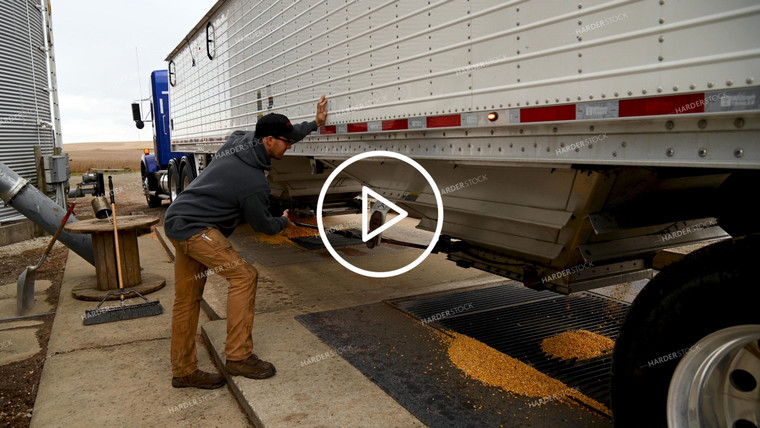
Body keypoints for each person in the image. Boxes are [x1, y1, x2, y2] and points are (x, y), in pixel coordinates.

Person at [164, 96, 328, 389]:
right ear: (267, 140)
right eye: (285, 142)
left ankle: (184, 370)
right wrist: (284, 221)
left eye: (291, 140)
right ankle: (238, 357)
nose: (289, 146)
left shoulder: (238, 141)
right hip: (196, 229)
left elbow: (281, 131)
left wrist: (313, 124)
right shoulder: (253, 181)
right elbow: (264, 226)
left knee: (187, 299)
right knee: (244, 276)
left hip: (179, 219)